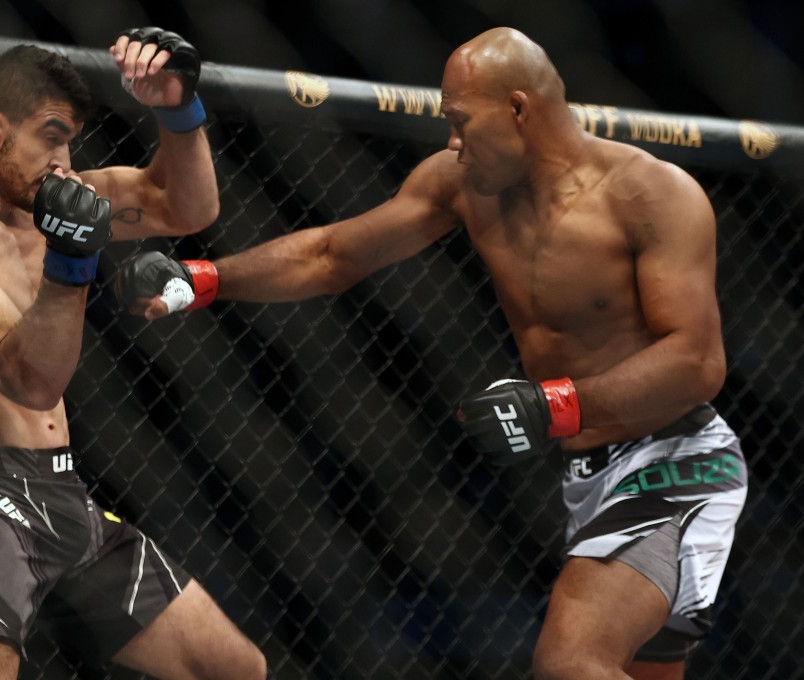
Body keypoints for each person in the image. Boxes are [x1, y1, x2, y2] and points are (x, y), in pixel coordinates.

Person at [116, 27, 747, 680]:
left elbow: (697, 362)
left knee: (573, 661)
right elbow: (333, 254)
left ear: (520, 109)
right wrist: (202, 279)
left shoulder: (650, 195)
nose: (451, 142)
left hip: (675, 463)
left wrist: (557, 405)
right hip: (588, 473)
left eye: (462, 122)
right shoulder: (462, 183)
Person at [0, 28, 267, 680]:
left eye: (71, 139)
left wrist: (178, 111)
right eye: (52, 135)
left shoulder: (47, 198)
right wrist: (72, 261)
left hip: (64, 492)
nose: (65, 159)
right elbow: (31, 379)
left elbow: (187, 206)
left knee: (232, 668)